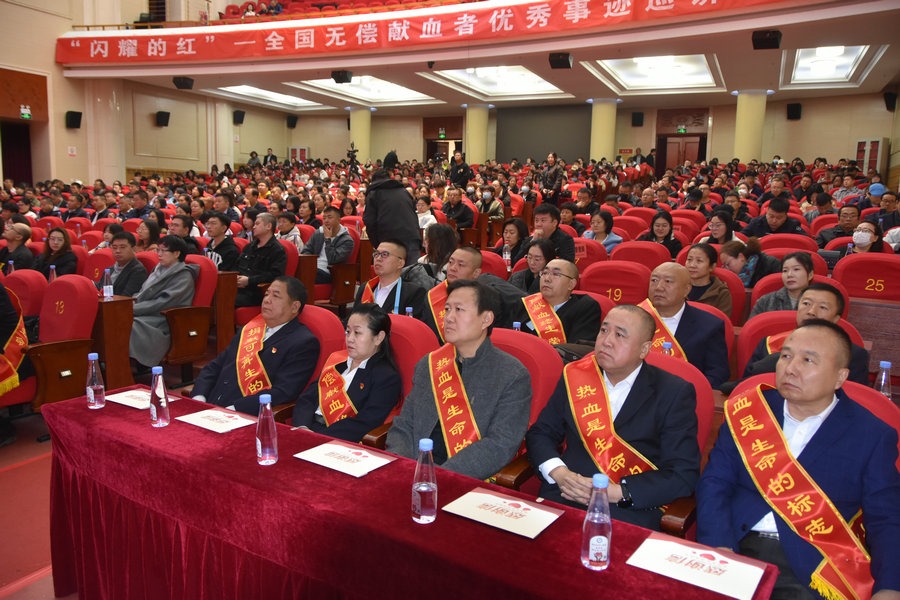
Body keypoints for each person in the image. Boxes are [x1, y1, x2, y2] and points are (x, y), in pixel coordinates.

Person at [697, 320, 900, 600]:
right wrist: (720, 545)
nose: (790, 368)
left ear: (840, 377)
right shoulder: (750, 413)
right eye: (786, 356)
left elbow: (886, 518)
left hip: (810, 564)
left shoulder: (872, 436)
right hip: (734, 544)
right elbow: (715, 483)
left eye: (808, 360)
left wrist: (890, 587)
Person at [525, 304, 700, 530]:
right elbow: (541, 433)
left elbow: (682, 473)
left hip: (627, 510)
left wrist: (617, 492)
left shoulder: (673, 392)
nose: (606, 341)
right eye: (604, 330)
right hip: (565, 492)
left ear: (644, 349)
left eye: (620, 335)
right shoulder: (576, 376)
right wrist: (558, 473)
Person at [386, 279, 532, 480]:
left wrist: (438, 476)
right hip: (413, 472)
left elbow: (499, 445)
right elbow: (404, 424)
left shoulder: (512, 375)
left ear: (486, 319)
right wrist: (403, 467)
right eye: (447, 309)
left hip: (462, 479)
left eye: (459, 310)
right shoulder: (430, 364)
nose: (448, 318)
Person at [192, 276, 320, 415]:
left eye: (276, 296)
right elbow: (215, 366)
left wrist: (235, 409)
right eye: (267, 294)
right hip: (209, 407)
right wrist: (199, 396)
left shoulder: (303, 342)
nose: (267, 300)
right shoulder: (249, 330)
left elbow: (284, 391)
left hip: (244, 415)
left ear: (294, 307)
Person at [292, 303, 401, 441]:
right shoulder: (337, 362)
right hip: (307, 430)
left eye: (357, 333)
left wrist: (318, 438)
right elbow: (307, 399)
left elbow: (366, 423)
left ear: (378, 338)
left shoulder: (386, 377)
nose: (350, 339)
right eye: (348, 331)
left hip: (337, 441)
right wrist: (302, 428)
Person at [742, 282, 870, 385]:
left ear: (836, 319)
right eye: (806, 303)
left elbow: (854, 398)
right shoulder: (768, 344)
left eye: (823, 307)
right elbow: (746, 388)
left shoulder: (854, 355)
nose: (811, 311)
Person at [641, 262, 730, 389]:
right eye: (654, 280)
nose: (659, 287)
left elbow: (717, 376)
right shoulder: (632, 319)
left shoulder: (709, 326)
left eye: (668, 281)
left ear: (686, 290)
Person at [129, 235, 198, 369]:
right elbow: (143, 292)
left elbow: (164, 302)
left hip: (164, 319)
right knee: (115, 320)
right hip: (146, 312)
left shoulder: (183, 275)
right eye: (158, 250)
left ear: (177, 253)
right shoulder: (158, 269)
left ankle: (128, 366)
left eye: (163, 251)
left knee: (126, 325)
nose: (159, 254)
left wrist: (134, 308)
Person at [517, 258, 600, 344]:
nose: (547, 279)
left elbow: (578, 347)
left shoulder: (584, 308)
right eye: (545, 273)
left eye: (556, 274)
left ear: (571, 284)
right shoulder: (529, 303)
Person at [363, 151, 421, 266]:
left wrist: (378, 244)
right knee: (413, 273)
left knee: (392, 274)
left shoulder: (374, 194)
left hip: (390, 240)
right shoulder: (403, 191)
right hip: (412, 238)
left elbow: (369, 221)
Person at [354, 240, 425, 317]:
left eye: (385, 254)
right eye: (376, 254)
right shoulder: (366, 288)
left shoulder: (413, 293)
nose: (378, 258)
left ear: (400, 263)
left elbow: (413, 323)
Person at [235, 212, 287, 307]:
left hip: (258, 291)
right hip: (238, 287)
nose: (254, 227)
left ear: (268, 226)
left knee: (226, 300)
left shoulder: (277, 250)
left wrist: (249, 281)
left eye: (257, 224)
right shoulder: (249, 246)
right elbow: (237, 265)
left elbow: (275, 275)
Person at [749, 252, 815, 317]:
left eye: (796, 269)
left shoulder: (819, 302)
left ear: (810, 275)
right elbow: (753, 323)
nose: (789, 275)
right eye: (785, 271)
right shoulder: (765, 301)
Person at [301, 206, 354, 283]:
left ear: (339, 220)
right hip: (313, 268)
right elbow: (306, 250)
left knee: (306, 275)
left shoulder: (346, 240)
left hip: (330, 272)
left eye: (330, 217)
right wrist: (310, 264)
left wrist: (328, 239)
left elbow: (333, 260)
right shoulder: (318, 233)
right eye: (324, 218)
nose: (326, 221)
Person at [685, 243, 732, 317]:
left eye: (699, 261)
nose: (692, 265)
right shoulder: (677, 286)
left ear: (712, 267)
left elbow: (721, 321)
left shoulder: (721, 293)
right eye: (689, 260)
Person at [103, 232, 148, 296]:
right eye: (114, 247)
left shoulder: (138, 271)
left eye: (122, 247)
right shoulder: (109, 269)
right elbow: (99, 288)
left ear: (133, 248)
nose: (118, 251)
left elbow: (126, 298)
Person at [741, 197, 806, 237]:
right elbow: (741, 237)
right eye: (771, 216)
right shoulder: (756, 222)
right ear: (767, 211)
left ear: (786, 216)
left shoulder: (793, 225)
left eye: (779, 218)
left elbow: (805, 240)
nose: (774, 221)